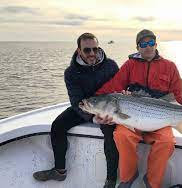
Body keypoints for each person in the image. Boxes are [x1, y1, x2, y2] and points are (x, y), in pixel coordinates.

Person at [95, 29, 182, 188]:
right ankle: (128, 176)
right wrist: (96, 104)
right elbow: (113, 87)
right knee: (121, 135)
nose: (148, 47)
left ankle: (152, 182)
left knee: (166, 141)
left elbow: (177, 95)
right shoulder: (130, 65)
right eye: (143, 44)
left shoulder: (169, 66)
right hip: (133, 117)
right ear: (138, 47)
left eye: (151, 43)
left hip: (160, 119)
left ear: (156, 45)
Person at [33, 33, 119, 188]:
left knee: (110, 132)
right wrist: (92, 118)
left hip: (106, 109)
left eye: (95, 49)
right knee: (58, 125)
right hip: (84, 106)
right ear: (79, 51)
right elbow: (76, 101)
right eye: (87, 50)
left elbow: (118, 91)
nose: (92, 53)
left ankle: (111, 180)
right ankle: (59, 170)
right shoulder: (71, 72)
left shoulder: (111, 65)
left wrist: (107, 114)